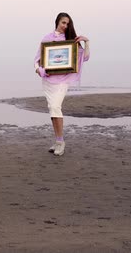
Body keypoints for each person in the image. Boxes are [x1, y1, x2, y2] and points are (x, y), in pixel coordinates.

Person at [34, 12, 90, 156]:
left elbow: (85, 57)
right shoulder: (47, 38)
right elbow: (37, 60)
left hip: (62, 81)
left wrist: (86, 42)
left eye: (68, 23)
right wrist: (39, 70)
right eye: (63, 23)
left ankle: (61, 142)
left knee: (55, 107)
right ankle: (57, 140)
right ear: (57, 22)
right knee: (52, 111)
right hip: (47, 80)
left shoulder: (70, 41)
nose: (65, 26)